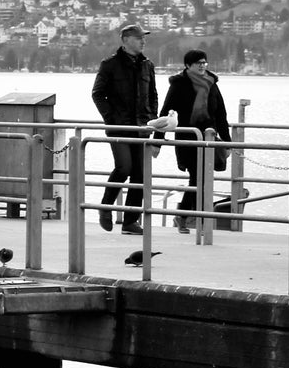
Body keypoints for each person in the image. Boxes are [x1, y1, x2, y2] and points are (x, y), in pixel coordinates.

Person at [89, 21, 158, 234]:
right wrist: (111, 118)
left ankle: (130, 221)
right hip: (119, 127)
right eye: (139, 38)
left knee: (140, 174)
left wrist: (152, 120)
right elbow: (98, 94)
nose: (143, 41)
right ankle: (106, 206)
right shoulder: (109, 64)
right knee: (124, 168)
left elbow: (153, 95)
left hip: (142, 127)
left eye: (143, 37)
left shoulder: (147, 65)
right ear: (126, 40)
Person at [160, 49, 232, 233]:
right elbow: (166, 112)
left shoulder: (211, 83)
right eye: (198, 63)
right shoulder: (179, 84)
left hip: (208, 137)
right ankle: (188, 217)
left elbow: (221, 114)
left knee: (202, 179)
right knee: (197, 177)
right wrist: (157, 141)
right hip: (187, 137)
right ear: (188, 65)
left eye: (204, 63)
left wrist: (227, 141)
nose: (202, 66)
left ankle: (191, 218)